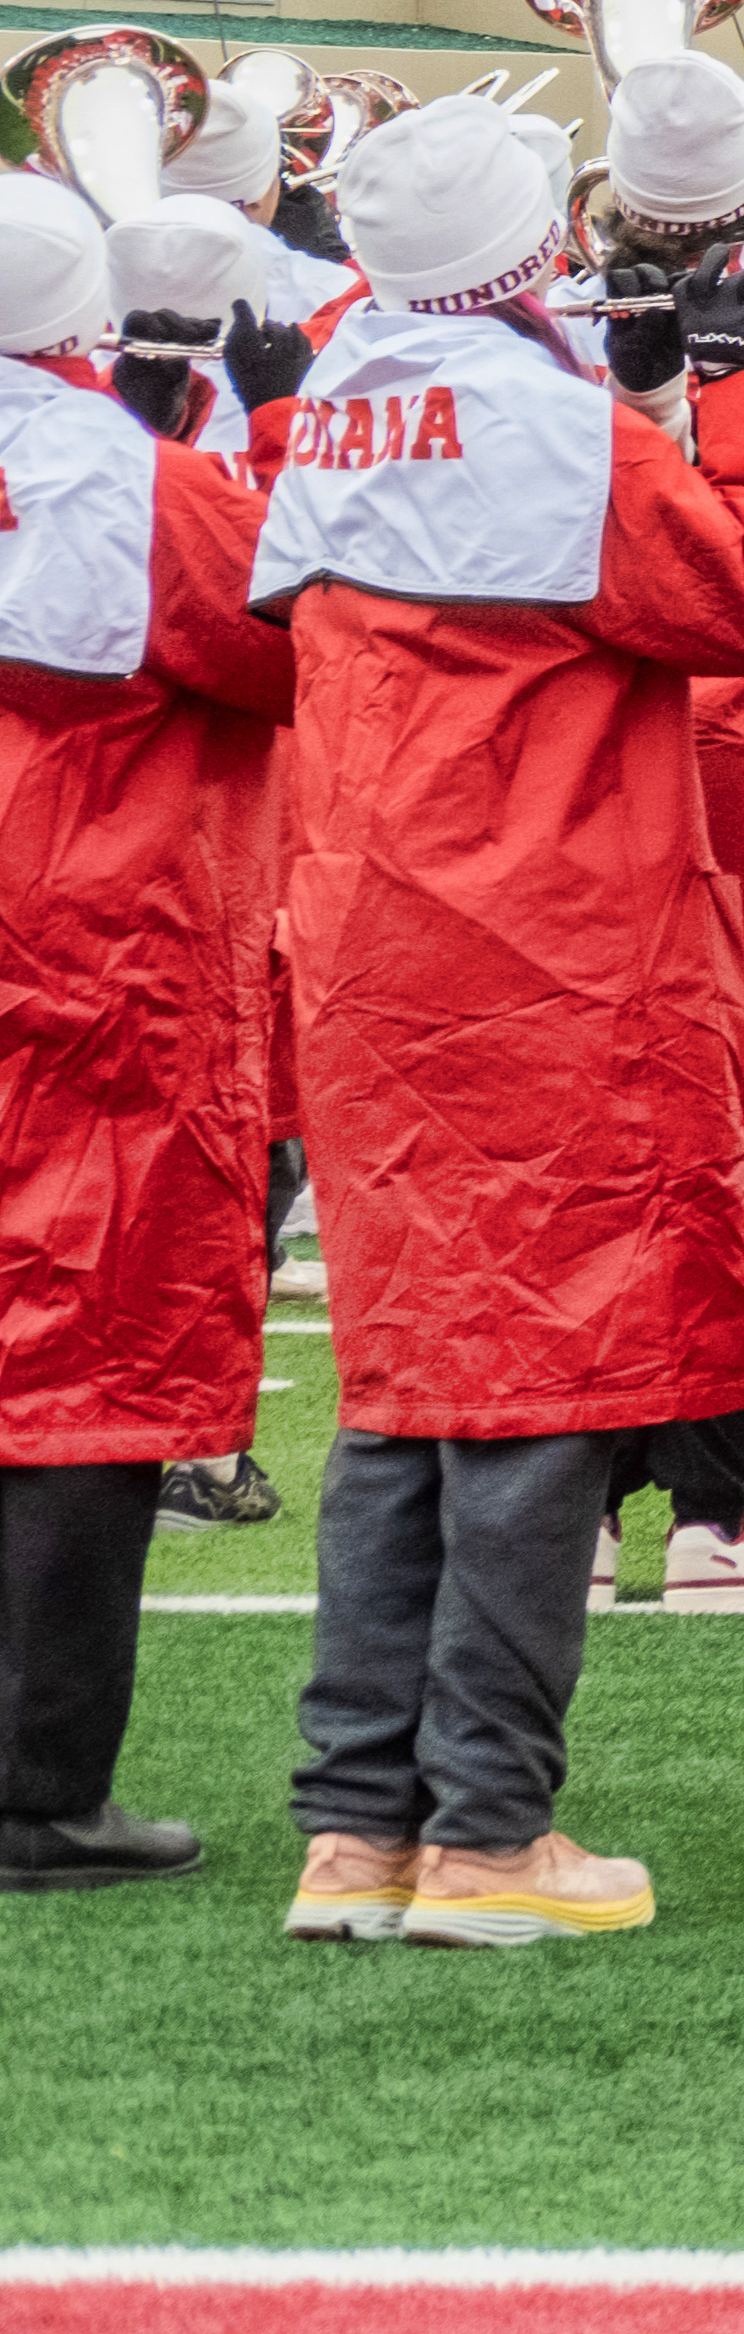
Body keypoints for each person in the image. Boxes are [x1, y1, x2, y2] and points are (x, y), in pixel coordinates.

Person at [255, 93, 744, 1947]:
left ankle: (356, 1826)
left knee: (406, 1385)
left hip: (369, 940)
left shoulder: (346, 386)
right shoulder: (539, 419)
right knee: (532, 1391)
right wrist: (734, 389)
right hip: (542, 948)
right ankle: (490, 1826)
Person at [0, 177, 280, 1890]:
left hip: (74, 939)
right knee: (85, 1359)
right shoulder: (143, 480)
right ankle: (35, 1783)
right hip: (93, 949)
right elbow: (284, 646)